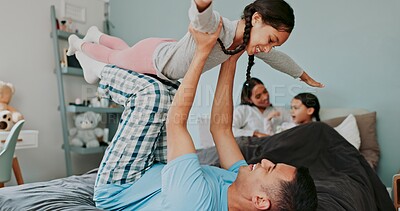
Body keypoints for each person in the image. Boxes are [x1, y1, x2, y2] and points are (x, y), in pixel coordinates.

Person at [93, 22, 318, 210]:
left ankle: (97, 70)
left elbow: (176, 124)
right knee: (171, 87)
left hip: (121, 186)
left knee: (153, 95)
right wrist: (231, 58)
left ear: (260, 201)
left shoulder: (195, 203)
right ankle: (112, 56)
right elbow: (220, 129)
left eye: (270, 169)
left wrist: (201, 53)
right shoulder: (239, 183)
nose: (265, 161)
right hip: (156, 171)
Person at [68, 0, 324, 88]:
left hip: (162, 50)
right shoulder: (218, 27)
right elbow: (201, 17)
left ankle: (96, 34)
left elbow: (279, 59)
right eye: (270, 40)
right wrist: (202, 4)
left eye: (274, 45)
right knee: (115, 59)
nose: (268, 48)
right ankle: (80, 44)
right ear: (256, 19)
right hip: (156, 59)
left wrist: (303, 76)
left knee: (124, 52)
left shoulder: (245, 43)